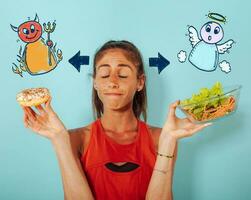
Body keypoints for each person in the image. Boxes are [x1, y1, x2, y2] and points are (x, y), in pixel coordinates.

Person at [21, 40, 211, 200]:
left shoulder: (161, 138)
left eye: (122, 74)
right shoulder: (75, 139)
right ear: (95, 82)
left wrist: (169, 140)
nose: (112, 81)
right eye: (104, 74)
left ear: (140, 82)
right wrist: (59, 140)